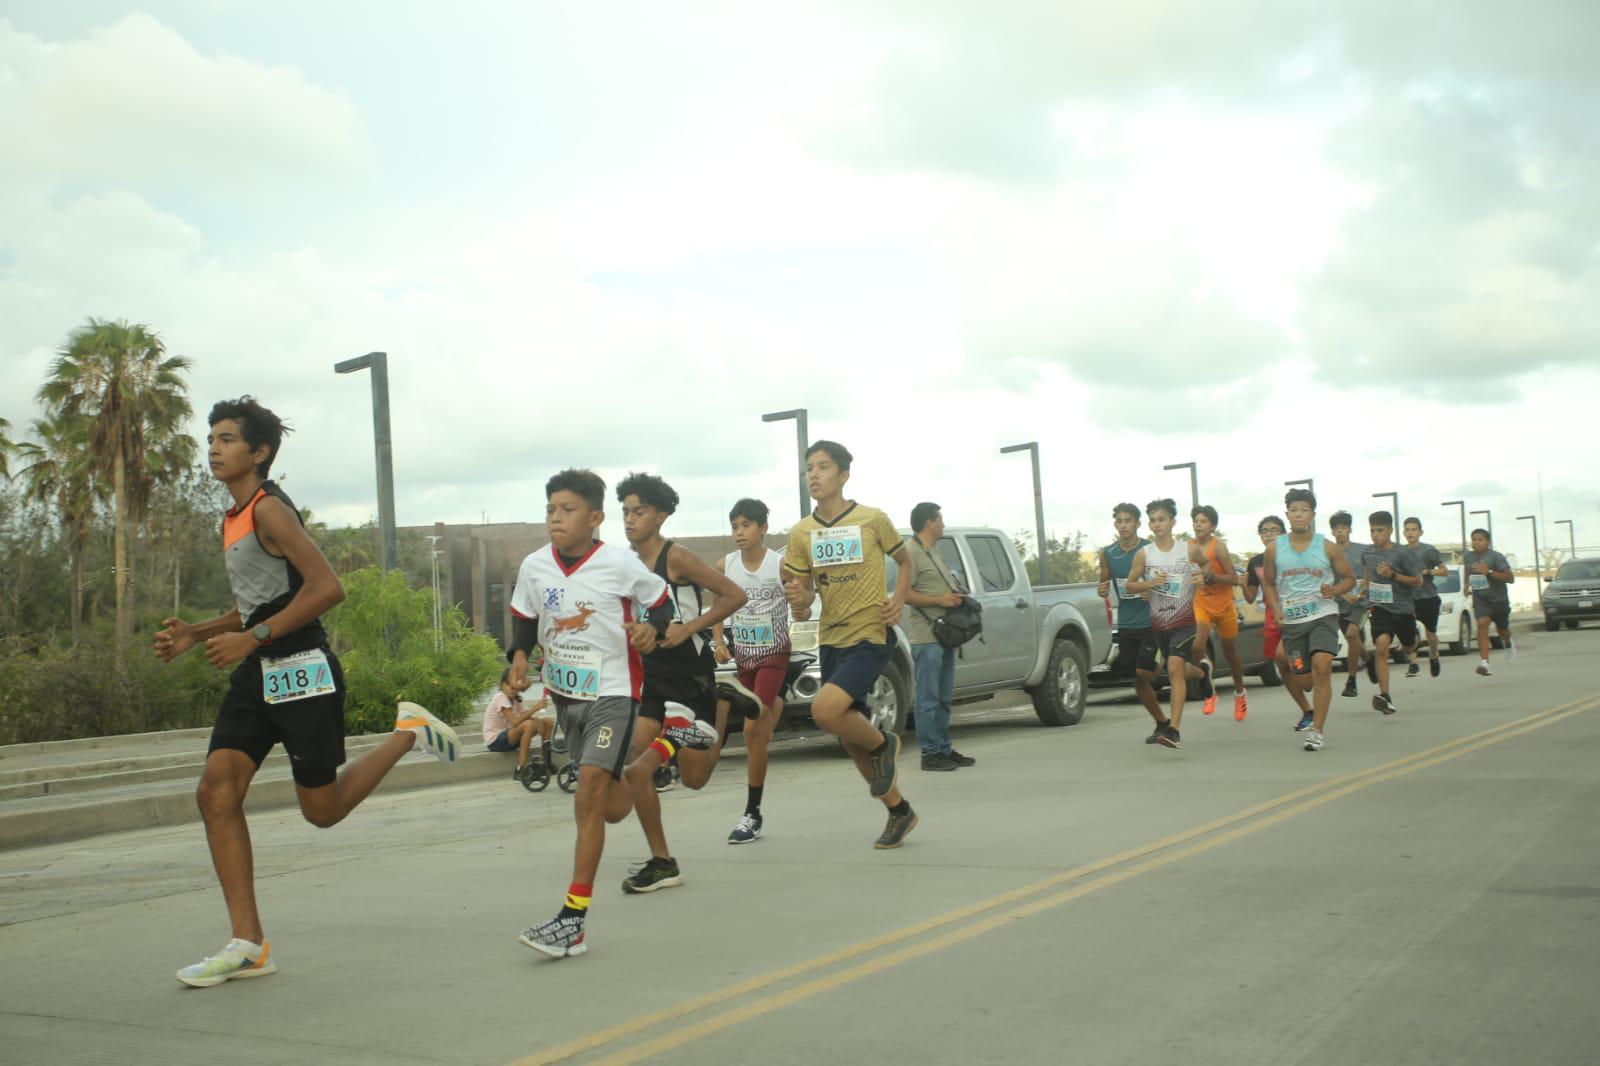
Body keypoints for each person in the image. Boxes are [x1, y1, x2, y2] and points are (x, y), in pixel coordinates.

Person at [155, 397, 462, 987]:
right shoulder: (233, 516)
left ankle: (408, 733)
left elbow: (327, 588)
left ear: (259, 452)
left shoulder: (270, 511)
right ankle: (247, 943)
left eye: (226, 439)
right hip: (257, 675)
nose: (213, 449)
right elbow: (256, 603)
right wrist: (200, 632)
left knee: (322, 812)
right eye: (210, 439)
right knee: (215, 792)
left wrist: (253, 638)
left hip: (303, 670)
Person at [506, 468, 674, 958]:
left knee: (589, 793)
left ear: (596, 518)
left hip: (615, 693)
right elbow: (524, 618)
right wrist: (517, 657)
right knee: (613, 807)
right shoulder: (535, 566)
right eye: (550, 510)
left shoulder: (619, 564)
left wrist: (651, 630)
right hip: (566, 697)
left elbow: (660, 603)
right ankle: (668, 746)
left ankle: (571, 921)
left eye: (568, 510)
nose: (556, 518)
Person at [781, 440, 919, 848]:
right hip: (832, 638)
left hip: (871, 633)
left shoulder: (872, 519)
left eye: (823, 467)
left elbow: (905, 561)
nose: (813, 475)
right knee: (848, 736)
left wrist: (898, 600)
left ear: (843, 475)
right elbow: (804, 601)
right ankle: (899, 812)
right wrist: (800, 600)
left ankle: (885, 742)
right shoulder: (802, 533)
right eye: (809, 468)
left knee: (825, 710)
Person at [615, 473, 747, 892]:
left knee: (694, 779)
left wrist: (689, 628)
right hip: (652, 680)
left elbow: (732, 595)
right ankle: (662, 861)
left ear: (661, 515)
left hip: (690, 677)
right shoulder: (625, 565)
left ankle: (724, 708)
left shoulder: (677, 557)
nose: (630, 520)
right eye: (625, 512)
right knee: (637, 770)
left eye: (639, 512)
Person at [711, 497, 791, 843]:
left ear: (763, 528)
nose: (739, 533)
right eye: (734, 527)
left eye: (746, 525)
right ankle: (773, 704)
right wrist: (718, 639)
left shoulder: (780, 565)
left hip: (775, 653)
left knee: (751, 731)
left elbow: (803, 598)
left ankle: (752, 814)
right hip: (743, 656)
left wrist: (803, 596)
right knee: (762, 713)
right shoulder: (725, 565)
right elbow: (717, 603)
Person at [1262, 488, 1356, 752]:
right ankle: (1314, 698)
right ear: (1287, 515)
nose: (1299, 515)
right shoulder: (1274, 550)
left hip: (1323, 615)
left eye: (1304, 510)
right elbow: (1268, 583)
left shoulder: (1327, 546)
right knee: (1304, 679)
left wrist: (1335, 590)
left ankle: (1317, 731)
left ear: (1312, 515)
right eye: (1294, 510)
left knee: (1323, 665)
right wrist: (1277, 609)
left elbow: (1348, 579)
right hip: (1292, 621)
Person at [1125, 498, 1212, 750]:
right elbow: (1130, 584)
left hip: (1184, 622)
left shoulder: (1187, 550)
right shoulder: (1144, 554)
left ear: (1172, 522)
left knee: (1174, 666)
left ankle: (1173, 730)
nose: (1157, 524)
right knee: (1151, 673)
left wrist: (1202, 575)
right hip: (1158, 625)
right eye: (1152, 520)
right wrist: (1148, 585)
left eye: (1161, 519)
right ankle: (1201, 673)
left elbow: (1206, 565)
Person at [903, 502, 974, 771]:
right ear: (929, 522)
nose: (943, 524)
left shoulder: (934, 551)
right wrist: (940, 599)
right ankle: (930, 752)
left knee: (944, 696)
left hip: (944, 636)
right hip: (926, 636)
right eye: (940, 519)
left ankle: (944, 748)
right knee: (928, 698)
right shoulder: (910, 553)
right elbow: (905, 594)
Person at [1097, 502, 1167, 743]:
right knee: (1138, 678)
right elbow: (1104, 584)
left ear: (1138, 524)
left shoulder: (1151, 549)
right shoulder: (1108, 553)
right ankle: (1161, 722)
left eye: (1128, 521)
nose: (1123, 525)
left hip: (1153, 619)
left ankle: (1164, 658)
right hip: (1127, 622)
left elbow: (1168, 582)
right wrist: (1102, 588)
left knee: (1144, 670)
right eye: (1119, 521)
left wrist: (1152, 590)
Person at [1243, 515, 1315, 731]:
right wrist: (1241, 584)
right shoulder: (1256, 562)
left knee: (1294, 665)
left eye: (1273, 529)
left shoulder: (1295, 556)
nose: (1268, 534)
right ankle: (1307, 711)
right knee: (1282, 664)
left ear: (1283, 533)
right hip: (1272, 619)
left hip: (1296, 615)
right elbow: (1249, 597)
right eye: (1264, 531)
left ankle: (1308, 670)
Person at [1188, 505, 1246, 720]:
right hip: (1201, 603)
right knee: (1196, 646)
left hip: (1224, 606)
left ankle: (1240, 693)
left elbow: (1234, 578)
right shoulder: (1188, 548)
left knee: (1230, 654)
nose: (1198, 524)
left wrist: (1213, 577)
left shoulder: (1218, 547)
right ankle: (1209, 690)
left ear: (1212, 525)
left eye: (1203, 521)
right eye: (1195, 520)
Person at [1362, 511, 1423, 715]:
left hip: (1403, 609)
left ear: (1390, 530)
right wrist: (1357, 593)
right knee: (1381, 646)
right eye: (1372, 530)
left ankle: (1415, 640)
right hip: (1380, 608)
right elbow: (1366, 579)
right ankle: (1385, 696)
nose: (1375, 534)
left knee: (1408, 647)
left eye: (1380, 530)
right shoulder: (1368, 554)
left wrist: (1392, 575)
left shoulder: (1403, 553)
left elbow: (1417, 581)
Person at [1329, 511, 1372, 698]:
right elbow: (1328, 579)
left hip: (1362, 604)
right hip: (1340, 604)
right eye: (1336, 529)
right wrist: (1343, 593)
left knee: (1352, 633)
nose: (1340, 532)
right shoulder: (1329, 553)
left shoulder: (1363, 550)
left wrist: (1362, 591)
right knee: (1352, 640)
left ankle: (1351, 680)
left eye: (1343, 528)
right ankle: (1370, 661)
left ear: (1349, 530)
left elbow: (1369, 575)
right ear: (1332, 532)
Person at [484, 667, 554, 778]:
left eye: (515, 685)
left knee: (548, 721)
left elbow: (526, 716)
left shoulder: (517, 699)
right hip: (496, 741)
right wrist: (535, 708)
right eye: (508, 684)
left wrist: (539, 722)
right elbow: (514, 722)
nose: (512, 688)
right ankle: (520, 769)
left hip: (510, 736)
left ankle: (547, 764)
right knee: (528, 725)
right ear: (501, 685)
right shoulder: (500, 697)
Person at [1464, 528, 1516, 676]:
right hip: (1480, 598)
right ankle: (1485, 663)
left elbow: (1510, 578)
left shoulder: (1496, 557)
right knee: (1482, 624)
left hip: (1498, 599)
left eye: (1480, 539)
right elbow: (1468, 571)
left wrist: (1489, 572)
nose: (1476, 542)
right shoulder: (1468, 556)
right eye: (1474, 539)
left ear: (1488, 542)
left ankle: (1508, 642)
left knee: (1502, 630)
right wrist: (1466, 584)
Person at [1402, 518, 1448, 677]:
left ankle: (1433, 656)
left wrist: (1428, 571)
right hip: (1408, 598)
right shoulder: (1400, 551)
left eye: (1413, 530)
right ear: (1403, 533)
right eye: (1407, 530)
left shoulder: (1428, 550)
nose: (1410, 533)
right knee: (1408, 631)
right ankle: (1414, 663)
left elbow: (1444, 571)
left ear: (1420, 532)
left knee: (1430, 634)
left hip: (1428, 596)